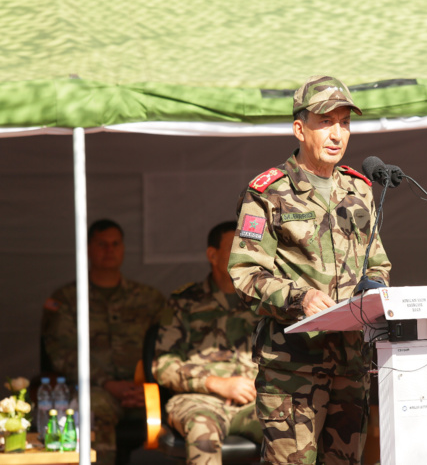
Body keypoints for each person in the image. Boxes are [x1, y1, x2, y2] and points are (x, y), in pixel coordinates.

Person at [228, 75, 391, 465]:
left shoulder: (360, 190)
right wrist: (300, 299)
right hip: (292, 371)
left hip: (351, 364)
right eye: (326, 122)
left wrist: (374, 292)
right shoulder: (268, 192)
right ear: (299, 129)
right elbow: (245, 275)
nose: (337, 134)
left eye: (345, 123)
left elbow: (378, 262)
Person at [41, 219, 168, 465]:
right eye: (102, 244)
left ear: (123, 248)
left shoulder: (150, 298)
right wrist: (107, 383)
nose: (109, 250)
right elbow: (61, 351)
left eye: (115, 244)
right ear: (87, 248)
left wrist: (152, 387)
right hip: (96, 389)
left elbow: (168, 347)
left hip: (146, 392)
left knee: (187, 405)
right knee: (92, 406)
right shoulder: (66, 299)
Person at [153, 221, 262, 465]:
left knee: (288, 426)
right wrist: (216, 384)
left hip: (255, 401)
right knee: (203, 430)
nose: (243, 255)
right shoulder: (184, 302)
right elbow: (163, 365)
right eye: (235, 247)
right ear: (212, 255)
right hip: (199, 400)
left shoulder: (262, 301)